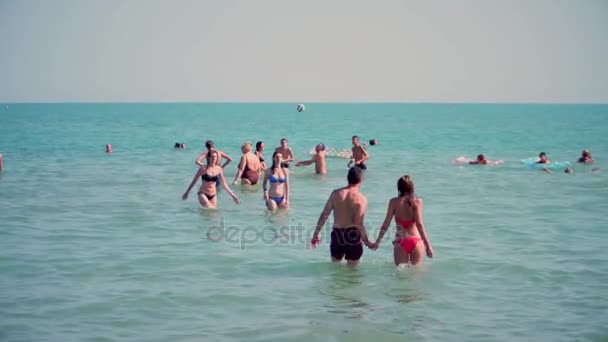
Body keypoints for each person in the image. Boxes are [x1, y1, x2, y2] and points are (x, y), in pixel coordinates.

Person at [311, 167, 373, 266]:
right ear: (360, 180)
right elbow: (359, 223)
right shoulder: (361, 199)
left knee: (336, 270)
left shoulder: (336, 194)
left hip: (337, 234)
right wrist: (367, 241)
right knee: (352, 273)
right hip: (353, 236)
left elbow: (324, 215)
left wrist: (316, 233)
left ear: (347, 178)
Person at [370, 175, 434, 266]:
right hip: (416, 241)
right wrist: (428, 246)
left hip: (401, 241)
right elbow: (419, 224)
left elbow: (386, 224)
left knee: (401, 277)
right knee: (415, 276)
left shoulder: (394, 202)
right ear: (412, 187)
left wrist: (377, 241)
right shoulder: (417, 202)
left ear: (398, 188)